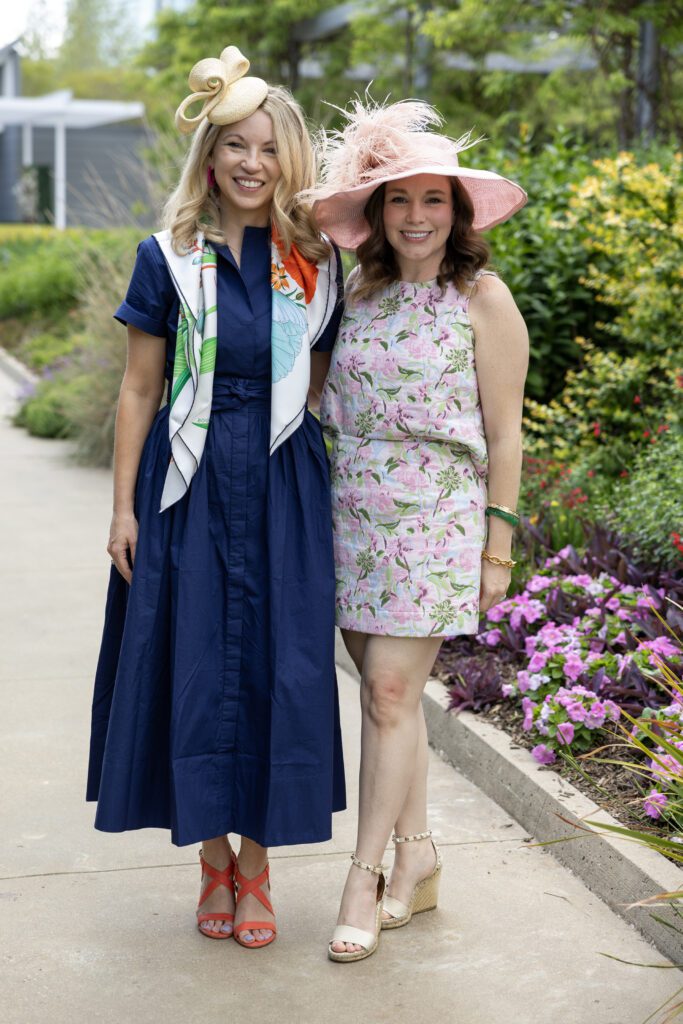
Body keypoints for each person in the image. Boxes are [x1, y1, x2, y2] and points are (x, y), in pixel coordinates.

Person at [86, 46, 345, 949]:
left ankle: (260, 866)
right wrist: (123, 508)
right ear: (207, 155)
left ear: (290, 159)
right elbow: (138, 390)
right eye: (233, 145)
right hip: (185, 479)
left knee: (283, 664)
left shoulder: (317, 262)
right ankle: (210, 860)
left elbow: (311, 390)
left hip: (280, 477)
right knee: (189, 662)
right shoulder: (168, 258)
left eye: (267, 147)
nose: (250, 163)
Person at [308, 99, 529, 962]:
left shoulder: (482, 297)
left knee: (390, 698)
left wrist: (497, 547)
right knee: (383, 702)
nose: (415, 217)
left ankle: (361, 879)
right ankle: (419, 855)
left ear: (457, 211)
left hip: (436, 518)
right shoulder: (351, 292)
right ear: (374, 213)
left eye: (432, 199)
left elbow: (507, 430)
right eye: (398, 200)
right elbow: (314, 393)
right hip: (349, 514)